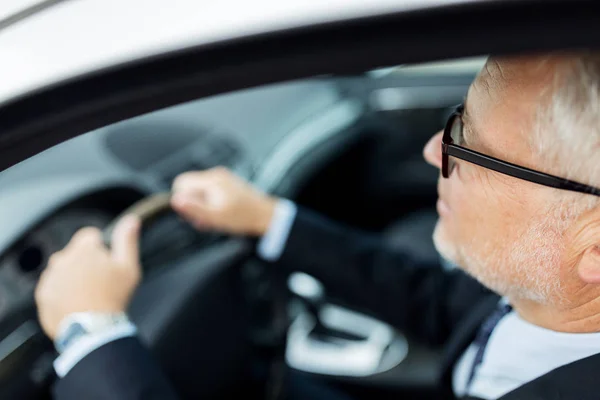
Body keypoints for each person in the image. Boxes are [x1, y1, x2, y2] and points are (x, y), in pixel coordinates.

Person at [35, 53, 600, 400]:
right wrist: (267, 219)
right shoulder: (552, 302)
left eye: (470, 146)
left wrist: (92, 334)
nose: (433, 150)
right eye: (457, 120)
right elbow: (442, 299)